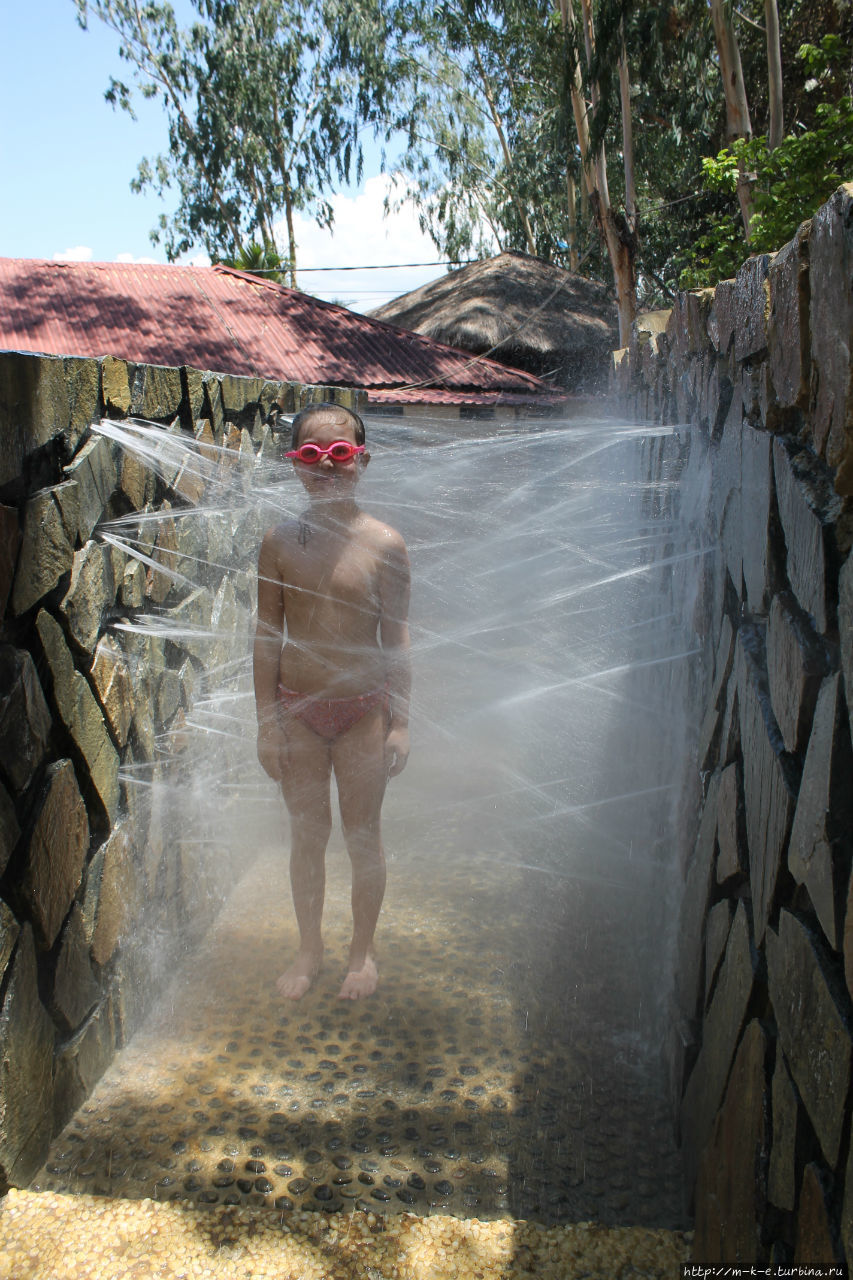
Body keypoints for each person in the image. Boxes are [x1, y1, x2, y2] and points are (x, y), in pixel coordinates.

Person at [253, 402, 411, 1000]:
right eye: (312, 455)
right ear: (295, 465)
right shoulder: (279, 544)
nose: (327, 467)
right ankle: (308, 948)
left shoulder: (385, 544)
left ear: (361, 461)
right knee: (307, 836)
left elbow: (395, 637)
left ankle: (361, 953)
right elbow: (266, 638)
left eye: (339, 454)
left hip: (361, 712)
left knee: (363, 835)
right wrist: (266, 724)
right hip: (297, 710)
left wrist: (401, 723)